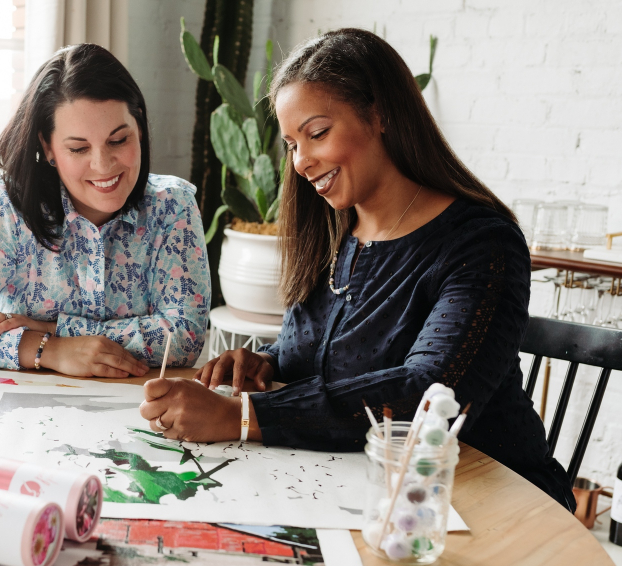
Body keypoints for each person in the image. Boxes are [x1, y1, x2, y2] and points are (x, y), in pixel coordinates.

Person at [138, 28, 574, 510]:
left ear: (379, 113)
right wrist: (264, 362)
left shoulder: (481, 243)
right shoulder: (330, 231)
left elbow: (425, 397)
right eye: (290, 144)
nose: (301, 161)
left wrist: (241, 414)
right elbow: (315, 352)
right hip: (369, 493)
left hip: (486, 501)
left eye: (317, 133)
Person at [0, 44, 210, 378]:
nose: (103, 165)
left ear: (140, 128)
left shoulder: (172, 205)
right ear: (47, 147)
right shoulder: (5, 210)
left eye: (119, 140)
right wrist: (49, 350)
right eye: (78, 148)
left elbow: (184, 338)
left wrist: (49, 328)